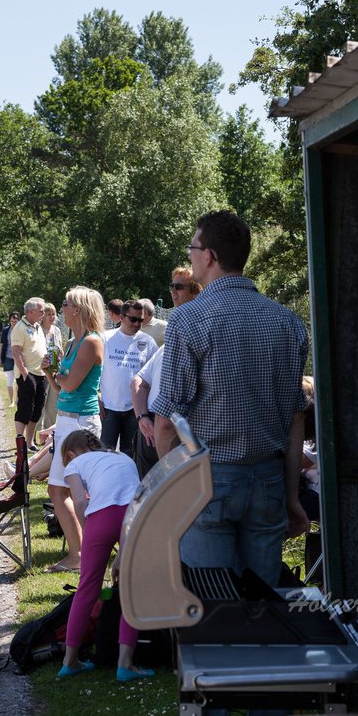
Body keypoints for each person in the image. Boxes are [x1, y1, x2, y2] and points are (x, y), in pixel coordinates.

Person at [151, 210, 309, 586]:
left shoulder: (188, 320)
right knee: (263, 606)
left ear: (209, 256)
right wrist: (291, 498)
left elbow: (165, 423)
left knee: (216, 611)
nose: (190, 255)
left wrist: (171, 490)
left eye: (192, 247)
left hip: (207, 482)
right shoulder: (287, 323)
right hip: (269, 483)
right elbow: (295, 422)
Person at [55, 430, 153, 683]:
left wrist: (89, 532)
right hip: (135, 516)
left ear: (69, 454)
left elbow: (79, 501)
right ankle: (125, 664)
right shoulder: (122, 456)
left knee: (86, 589)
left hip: (101, 517)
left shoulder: (75, 463)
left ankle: (71, 661)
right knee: (131, 589)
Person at [45, 285, 106, 574]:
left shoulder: (91, 342)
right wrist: (49, 372)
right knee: (60, 489)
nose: (62, 309)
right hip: (68, 419)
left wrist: (58, 374)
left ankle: (82, 553)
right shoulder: (72, 342)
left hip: (82, 423)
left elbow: (70, 384)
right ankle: (81, 552)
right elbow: (61, 387)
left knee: (68, 490)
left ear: (78, 309)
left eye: (66, 303)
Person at [131, 266, 203, 478]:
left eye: (179, 287)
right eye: (172, 286)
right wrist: (142, 417)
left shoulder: (200, 340)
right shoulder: (167, 346)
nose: (173, 291)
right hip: (150, 429)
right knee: (147, 498)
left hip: (180, 432)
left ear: (196, 291)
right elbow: (138, 382)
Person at [99, 300, 156, 455]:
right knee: (105, 453)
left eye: (141, 320)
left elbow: (154, 375)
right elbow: (94, 370)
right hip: (109, 407)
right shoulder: (105, 338)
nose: (137, 324)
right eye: (133, 319)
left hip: (135, 410)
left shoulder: (148, 342)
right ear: (122, 317)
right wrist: (96, 397)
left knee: (129, 454)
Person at [12, 298, 48, 449]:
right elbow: (16, 352)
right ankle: (20, 441)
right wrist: (25, 373)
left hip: (42, 373)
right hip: (28, 373)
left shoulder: (38, 326)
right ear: (30, 312)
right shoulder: (19, 327)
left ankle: (29, 441)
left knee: (37, 409)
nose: (43, 313)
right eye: (41, 311)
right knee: (25, 407)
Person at [39, 302, 64, 431]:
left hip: (55, 370)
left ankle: (48, 432)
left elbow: (61, 350)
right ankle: (36, 432)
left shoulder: (57, 330)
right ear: (42, 316)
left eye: (53, 314)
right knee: (40, 403)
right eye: (48, 314)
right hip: (41, 371)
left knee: (53, 404)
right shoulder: (38, 330)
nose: (52, 316)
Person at [0, 312, 19, 407]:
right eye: (12, 321)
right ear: (10, 320)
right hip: (8, 357)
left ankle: (18, 399)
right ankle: (12, 401)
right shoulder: (6, 330)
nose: (14, 322)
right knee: (10, 379)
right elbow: (2, 344)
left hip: (19, 358)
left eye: (15, 321)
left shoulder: (21, 330)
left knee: (19, 380)